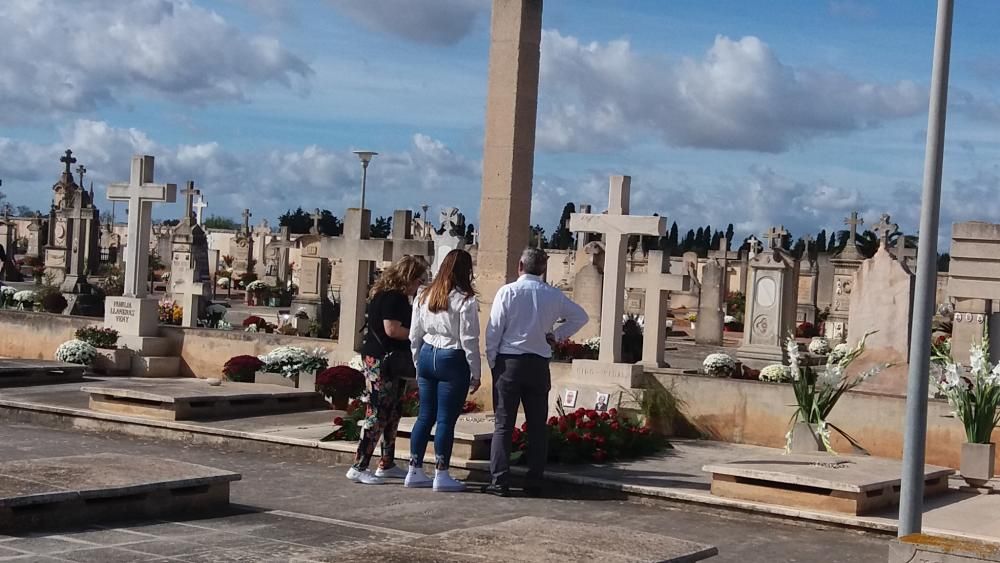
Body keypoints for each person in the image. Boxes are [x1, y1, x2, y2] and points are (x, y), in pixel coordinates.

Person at [483, 248, 588, 497]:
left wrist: (492, 361)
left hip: (509, 361)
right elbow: (580, 317)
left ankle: (499, 480)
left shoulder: (507, 292)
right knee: (537, 426)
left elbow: (493, 331)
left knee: (503, 424)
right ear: (543, 269)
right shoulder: (552, 294)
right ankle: (534, 480)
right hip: (539, 363)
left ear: (520, 265)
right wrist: (557, 335)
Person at [346, 255, 428, 485]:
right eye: (419, 279)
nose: (420, 285)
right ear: (408, 277)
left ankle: (387, 462)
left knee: (393, 411)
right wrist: (419, 334)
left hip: (392, 361)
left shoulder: (391, 295)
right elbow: (391, 330)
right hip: (381, 360)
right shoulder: (393, 297)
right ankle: (359, 465)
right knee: (378, 411)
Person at [406, 249, 481, 492]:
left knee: (425, 415)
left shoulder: (423, 294)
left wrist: (418, 362)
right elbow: (469, 339)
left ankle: (414, 469)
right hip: (452, 356)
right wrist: (476, 372)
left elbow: (414, 334)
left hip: (428, 352)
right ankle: (441, 473)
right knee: (446, 420)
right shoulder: (465, 299)